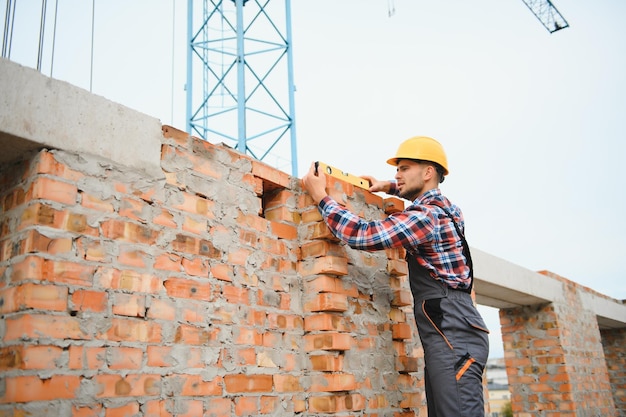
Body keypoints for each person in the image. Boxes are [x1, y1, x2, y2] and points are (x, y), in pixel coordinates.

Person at [301, 136, 489, 417]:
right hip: (455, 329)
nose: (397, 174)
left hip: (452, 334)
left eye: (403, 169)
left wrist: (322, 198)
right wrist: (388, 187)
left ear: (427, 172)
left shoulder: (426, 217)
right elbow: (427, 196)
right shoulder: (448, 210)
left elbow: (364, 235)